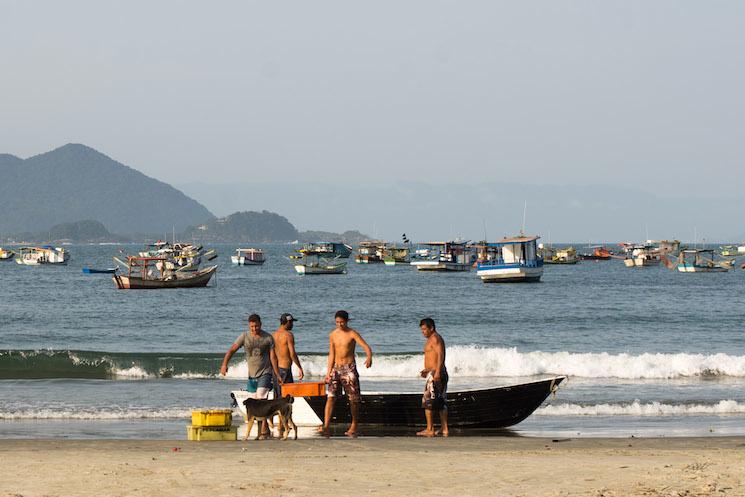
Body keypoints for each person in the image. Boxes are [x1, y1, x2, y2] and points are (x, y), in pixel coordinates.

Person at [220, 314, 282, 437]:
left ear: (261, 324)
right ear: (249, 326)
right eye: (252, 326)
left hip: (265, 372)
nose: (254, 329)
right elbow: (232, 350)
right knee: (255, 403)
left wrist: (277, 373)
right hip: (252, 375)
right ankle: (264, 430)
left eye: (257, 326)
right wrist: (224, 364)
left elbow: (273, 357)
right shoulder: (244, 337)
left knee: (261, 397)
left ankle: (264, 429)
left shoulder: (268, 338)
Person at [321, 310, 373, 438]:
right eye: (337, 322)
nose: (340, 324)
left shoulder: (352, 333)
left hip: (349, 368)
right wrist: (328, 372)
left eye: (342, 322)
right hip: (336, 369)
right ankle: (326, 426)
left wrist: (369, 356)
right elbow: (331, 354)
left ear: (347, 321)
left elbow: (366, 346)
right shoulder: (333, 334)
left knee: (353, 399)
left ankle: (354, 425)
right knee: (331, 397)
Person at [417, 317, 449, 437]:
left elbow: (440, 354)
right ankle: (444, 429)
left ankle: (430, 429)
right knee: (441, 401)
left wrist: (437, 372)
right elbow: (434, 357)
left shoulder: (435, 338)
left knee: (428, 401)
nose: (423, 332)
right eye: (422, 330)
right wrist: (427, 370)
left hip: (436, 374)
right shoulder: (432, 338)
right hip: (435, 372)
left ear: (432, 328)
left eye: (425, 329)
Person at [273, 313, 304, 390]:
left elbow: (272, 355)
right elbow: (292, 354)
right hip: (285, 370)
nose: (292, 325)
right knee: (288, 396)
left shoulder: (273, 335)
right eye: (292, 322)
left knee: (278, 397)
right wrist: (300, 368)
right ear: (288, 322)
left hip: (275, 370)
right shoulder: (288, 335)